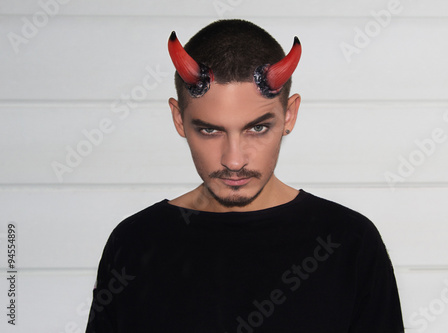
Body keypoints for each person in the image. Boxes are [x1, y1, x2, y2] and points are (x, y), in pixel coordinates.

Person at [86, 19, 405, 333]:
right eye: (210, 129)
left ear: (289, 114)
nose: (234, 160)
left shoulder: (349, 243)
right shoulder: (134, 243)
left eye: (258, 128)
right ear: (179, 119)